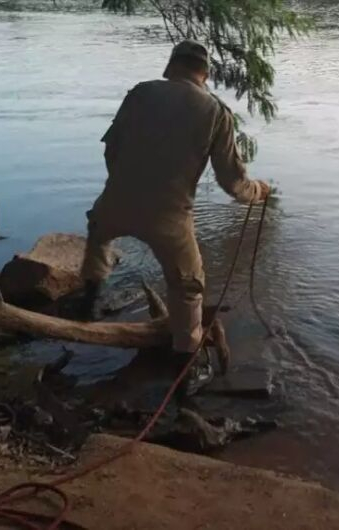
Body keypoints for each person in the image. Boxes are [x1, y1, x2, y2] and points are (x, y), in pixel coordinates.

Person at [80, 40, 270, 356]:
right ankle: (186, 357)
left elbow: (111, 148)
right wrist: (258, 191)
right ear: (205, 75)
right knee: (188, 286)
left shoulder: (140, 93)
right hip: (168, 218)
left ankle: (89, 302)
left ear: (170, 67)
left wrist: (120, 184)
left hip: (114, 202)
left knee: (99, 234)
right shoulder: (216, 112)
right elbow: (232, 183)